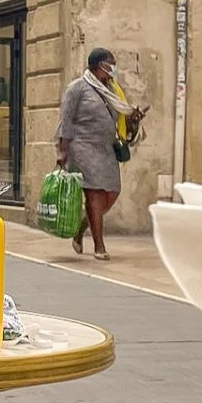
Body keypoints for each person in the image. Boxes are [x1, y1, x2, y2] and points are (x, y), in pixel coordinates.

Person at [55, 48, 147, 261]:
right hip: (83, 147)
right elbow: (66, 120)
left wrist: (133, 118)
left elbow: (118, 119)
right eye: (109, 64)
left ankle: (81, 229)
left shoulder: (112, 90)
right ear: (97, 66)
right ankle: (99, 245)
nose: (113, 69)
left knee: (112, 192)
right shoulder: (77, 88)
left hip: (106, 148)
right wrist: (62, 150)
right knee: (95, 194)